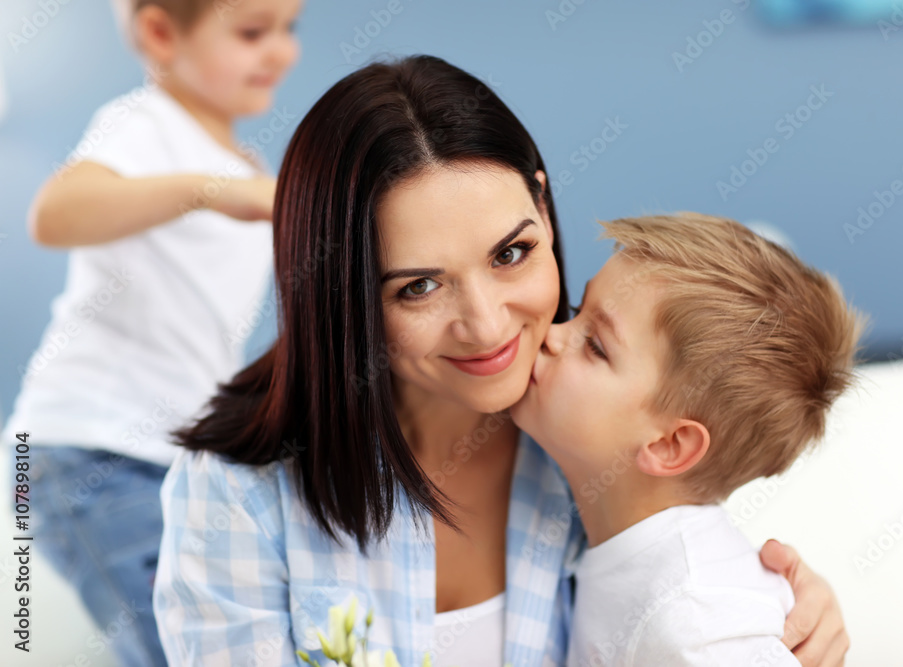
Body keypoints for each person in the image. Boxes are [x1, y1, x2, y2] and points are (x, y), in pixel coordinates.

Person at [153, 55, 850, 667]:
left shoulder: (589, 441)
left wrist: (785, 608)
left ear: (543, 209)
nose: (489, 327)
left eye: (510, 253)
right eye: (418, 286)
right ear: (343, 296)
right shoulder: (240, 496)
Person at [2, 0, 300, 664]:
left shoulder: (248, 167)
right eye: (254, 32)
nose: (281, 51)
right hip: (83, 448)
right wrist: (215, 190)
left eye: (289, 28)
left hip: (166, 457)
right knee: (182, 648)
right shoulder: (143, 124)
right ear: (161, 33)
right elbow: (55, 214)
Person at [509, 213, 865, 666]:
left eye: (596, 345)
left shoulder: (699, 622)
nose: (552, 336)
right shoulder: (627, 553)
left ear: (669, 445)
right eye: (577, 313)